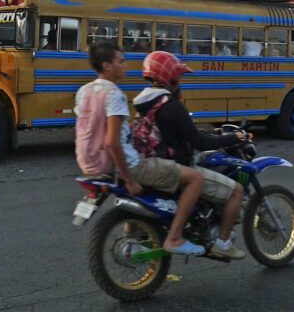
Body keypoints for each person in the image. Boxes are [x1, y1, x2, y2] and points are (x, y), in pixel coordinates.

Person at [74, 42, 206, 256]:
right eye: (121, 61)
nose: (126, 66)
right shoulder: (113, 94)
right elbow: (112, 142)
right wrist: (129, 179)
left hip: (89, 165)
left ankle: (137, 235)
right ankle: (174, 238)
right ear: (107, 66)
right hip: (125, 164)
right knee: (195, 179)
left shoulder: (83, 91)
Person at [133, 51, 248, 260]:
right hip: (178, 168)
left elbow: (181, 134)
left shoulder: (143, 103)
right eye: (178, 77)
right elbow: (199, 143)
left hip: (154, 164)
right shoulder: (172, 106)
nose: (180, 82)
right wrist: (232, 138)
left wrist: (213, 134)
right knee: (236, 192)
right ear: (170, 77)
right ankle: (222, 243)